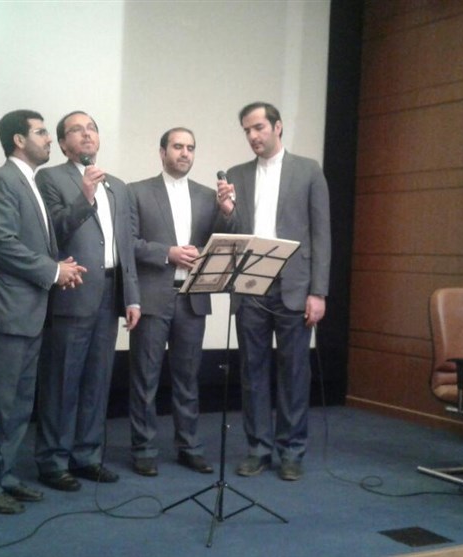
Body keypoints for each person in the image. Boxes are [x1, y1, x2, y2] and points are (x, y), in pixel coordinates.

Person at [0, 109, 85, 514]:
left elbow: (33, 242)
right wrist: (53, 271)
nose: (49, 139)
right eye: (41, 132)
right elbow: (2, 243)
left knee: (17, 406)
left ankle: (3, 476)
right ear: (19, 140)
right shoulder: (3, 181)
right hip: (5, 313)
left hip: (27, 312)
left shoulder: (29, 181)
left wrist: (59, 267)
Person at [215, 102, 331, 481]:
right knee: (252, 371)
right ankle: (258, 449)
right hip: (251, 285)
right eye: (247, 130)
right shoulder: (237, 175)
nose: (253, 136)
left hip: (295, 285)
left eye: (259, 128)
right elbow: (232, 232)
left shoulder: (308, 170)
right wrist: (227, 210)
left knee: (295, 372)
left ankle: (292, 451)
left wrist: (318, 291)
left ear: (277, 127)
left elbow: (321, 234)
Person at [34, 110, 140, 491]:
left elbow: (125, 245)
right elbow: (52, 232)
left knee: (98, 379)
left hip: (110, 292)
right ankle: (53, 461)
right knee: (63, 380)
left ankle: (87, 457)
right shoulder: (50, 179)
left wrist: (132, 296)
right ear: (63, 143)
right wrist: (85, 195)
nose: (86, 134)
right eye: (76, 130)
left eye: (91, 128)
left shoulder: (118, 186)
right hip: (72, 290)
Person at [127, 128, 218, 477]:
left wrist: (226, 213)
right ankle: (144, 449)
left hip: (192, 298)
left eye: (190, 148)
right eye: (178, 146)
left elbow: (223, 239)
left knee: (188, 379)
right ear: (162, 151)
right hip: (152, 297)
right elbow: (129, 243)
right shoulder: (137, 192)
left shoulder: (208, 196)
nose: (184, 153)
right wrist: (168, 253)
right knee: (145, 379)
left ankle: (189, 447)